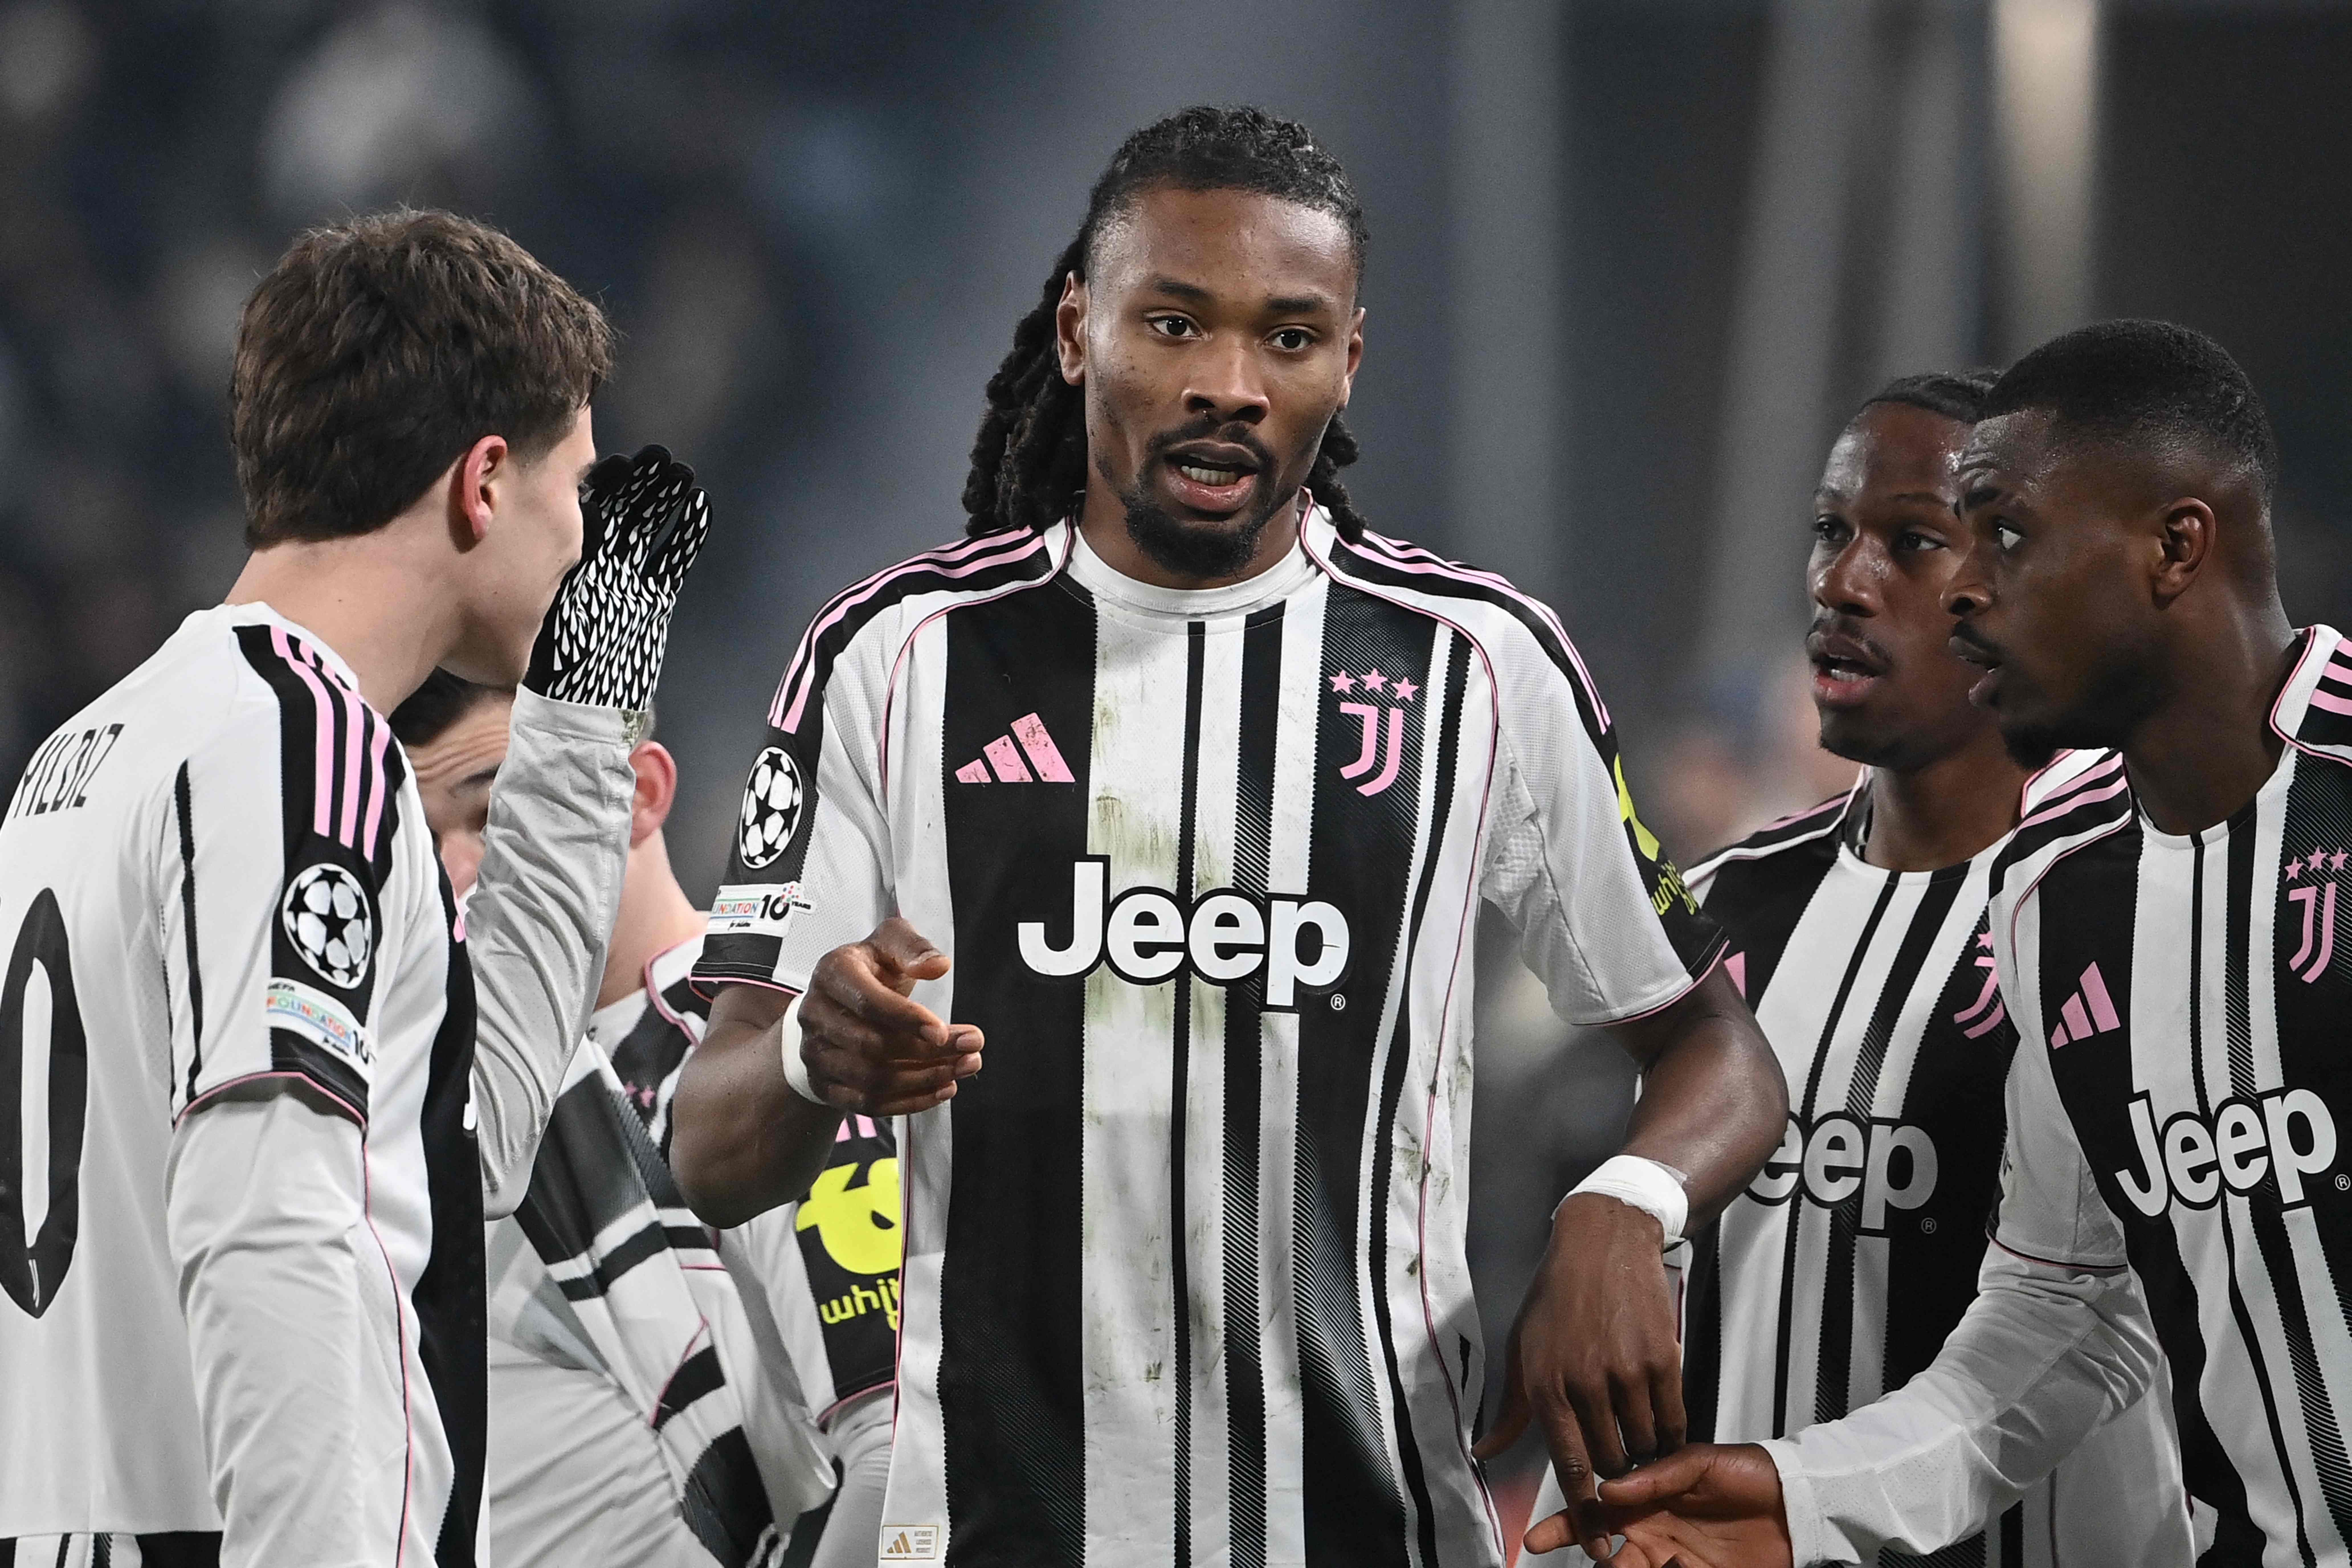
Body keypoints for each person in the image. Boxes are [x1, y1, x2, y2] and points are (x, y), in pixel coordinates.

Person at [668, 105, 1787, 1567]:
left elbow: (1719, 1050)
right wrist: (819, 1055)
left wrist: (1622, 1208)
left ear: (1351, 360)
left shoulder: (1478, 668)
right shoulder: (895, 658)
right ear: (1079, 331)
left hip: (1373, 1534)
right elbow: (709, 1142)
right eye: (1176, 325)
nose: (1232, 385)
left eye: (1289, 336)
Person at [0, 210, 708, 1566]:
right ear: (484, 481)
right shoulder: (299, 741)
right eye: (579, 485)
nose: (588, 535)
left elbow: (461, 1135)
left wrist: (591, 688)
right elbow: (280, 1228)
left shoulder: (82, 757)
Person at [1590, 319, 2352, 1567]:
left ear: (2175, 545)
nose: (1969, 590)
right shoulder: (2057, 895)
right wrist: (1803, 1493)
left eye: (2004, 534)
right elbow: (2060, 1306)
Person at [1523, 372, 2190, 1563]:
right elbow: (1652, 1300)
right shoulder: (1727, 902)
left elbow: (2100, 1324)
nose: (1843, 582)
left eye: (1911, 542)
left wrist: (1805, 1501)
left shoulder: (2132, 911)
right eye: (1833, 533)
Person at [395, 674, 894, 1568]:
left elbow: (896, 1453)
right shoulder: (453, 1100)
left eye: (497, 814)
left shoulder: (769, 1059)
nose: (457, 873)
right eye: (423, 839)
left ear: (641, 795)